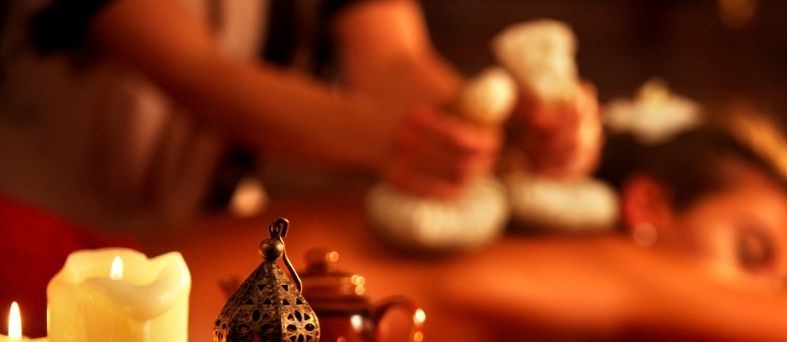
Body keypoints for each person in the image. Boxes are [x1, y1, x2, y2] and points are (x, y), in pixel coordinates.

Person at [173, 100, 787, 342]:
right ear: (649, 208)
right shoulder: (613, 261)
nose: (761, 299)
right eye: (750, 252)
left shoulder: (547, 286)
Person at [0, 0, 600, 230]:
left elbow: (397, 60)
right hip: (41, 230)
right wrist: (394, 140)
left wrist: (506, 126)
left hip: (185, 240)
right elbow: (200, 75)